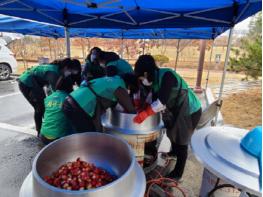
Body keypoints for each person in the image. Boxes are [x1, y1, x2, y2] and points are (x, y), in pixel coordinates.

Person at [133, 55, 202, 181]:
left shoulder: (167, 75)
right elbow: (152, 102)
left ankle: (178, 173)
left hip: (190, 110)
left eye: (142, 77)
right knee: (171, 132)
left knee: (182, 141)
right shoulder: (154, 83)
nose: (142, 80)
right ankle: (173, 152)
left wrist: (144, 114)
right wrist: (141, 108)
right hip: (177, 110)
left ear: (146, 73)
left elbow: (161, 102)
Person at [18, 58, 81, 136]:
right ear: (66, 68)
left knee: (46, 105)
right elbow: (56, 94)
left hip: (36, 83)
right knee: (39, 108)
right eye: (70, 72)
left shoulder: (60, 71)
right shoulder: (53, 73)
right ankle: (39, 131)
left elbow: (58, 90)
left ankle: (48, 126)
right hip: (26, 82)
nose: (70, 74)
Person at [62, 74, 137, 133]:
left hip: (70, 101)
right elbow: (131, 110)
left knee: (90, 134)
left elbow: (98, 110)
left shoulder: (113, 80)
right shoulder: (119, 87)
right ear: (130, 85)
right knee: (88, 137)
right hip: (76, 106)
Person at [40, 75, 74, 145]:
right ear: (70, 86)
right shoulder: (69, 98)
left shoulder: (48, 98)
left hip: (43, 134)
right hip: (57, 138)